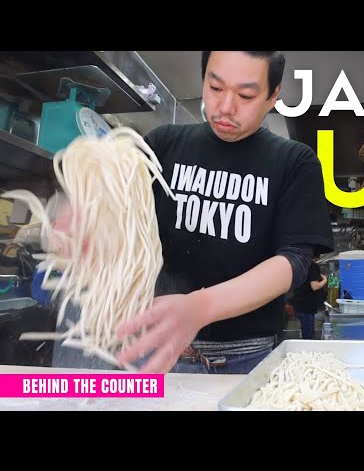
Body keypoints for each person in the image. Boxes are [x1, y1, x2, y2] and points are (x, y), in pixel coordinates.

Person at [52, 51, 335, 374]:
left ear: (273, 96)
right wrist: (88, 212)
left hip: (244, 356)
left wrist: (200, 307)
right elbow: (111, 203)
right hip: (151, 346)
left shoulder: (294, 161)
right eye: (215, 88)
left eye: (245, 95)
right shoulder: (163, 144)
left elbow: (295, 261)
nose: (226, 107)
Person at [290, 261, 327, 339]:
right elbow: (315, 286)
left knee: (304, 331)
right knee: (308, 336)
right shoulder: (312, 266)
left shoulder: (299, 264)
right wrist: (324, 280)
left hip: (297, 302)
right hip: (307, 305)